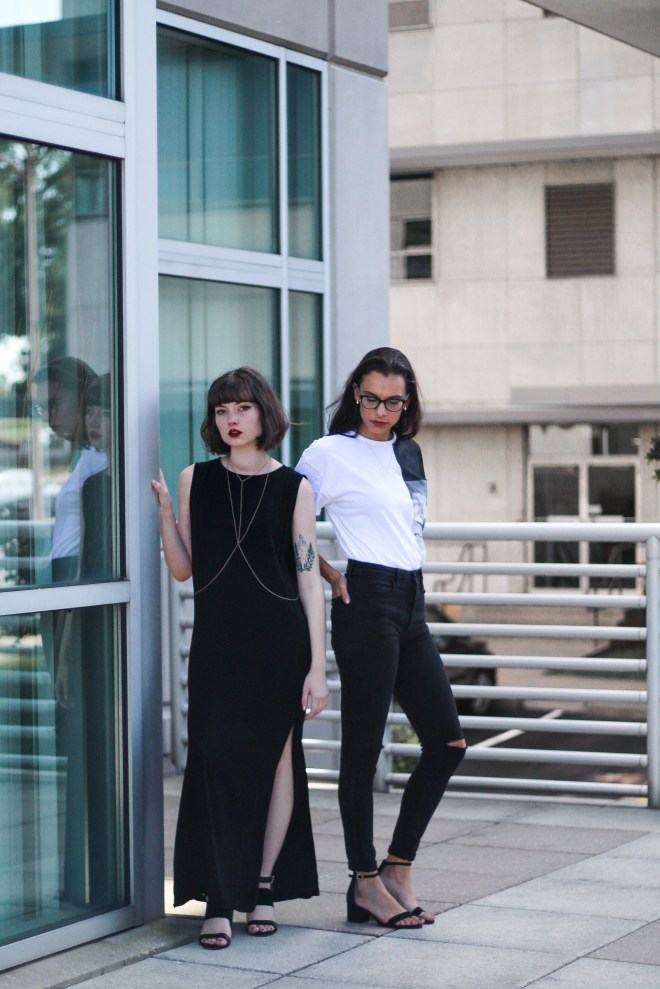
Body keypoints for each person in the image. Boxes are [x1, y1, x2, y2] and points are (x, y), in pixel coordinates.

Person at [152, 367, 328, 950]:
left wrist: (317, 666)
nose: (232, 419)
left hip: (279, 647)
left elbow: (308, 581)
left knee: (278, 765)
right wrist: (162, 514)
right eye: (223, 409)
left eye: (243, 408)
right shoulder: (194, 479)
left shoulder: (293, 487)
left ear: (264, 415)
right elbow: (183, 568)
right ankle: (218, 899)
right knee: (212, 764)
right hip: (217, 647)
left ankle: (261, 887)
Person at [296, 346, 467, 930]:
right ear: (354, 395)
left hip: (412, 601)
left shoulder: (408, 451)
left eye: (394, 401)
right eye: (370, 398)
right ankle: (363, 880)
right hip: (364, 598)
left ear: (407, 402)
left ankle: (397, 866)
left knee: (447, 743)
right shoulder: (327, 452)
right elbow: (285, 523)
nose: (380, 410)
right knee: (363, 748)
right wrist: (326, 569)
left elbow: (408, 530)